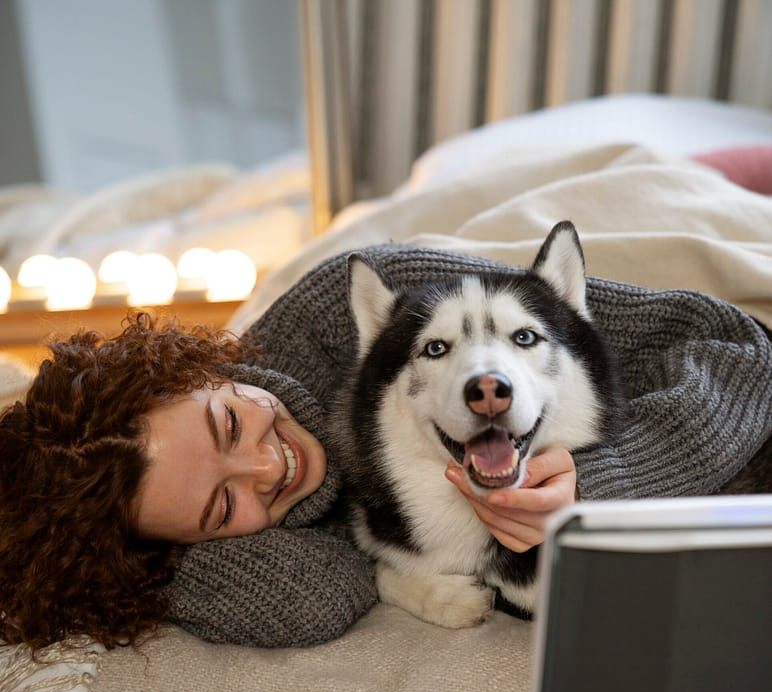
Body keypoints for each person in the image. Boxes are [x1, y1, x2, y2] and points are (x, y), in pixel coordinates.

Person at [2, 241, 769, 652]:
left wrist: (599, 483)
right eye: (219, 505)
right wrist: (144, 569)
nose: (273, 467)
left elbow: (737, 348)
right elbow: (305, 604)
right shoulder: (238, 539)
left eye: (230, 423)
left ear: (203, 369)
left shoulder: (369, 302)